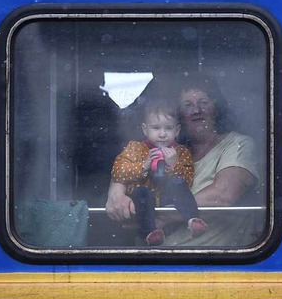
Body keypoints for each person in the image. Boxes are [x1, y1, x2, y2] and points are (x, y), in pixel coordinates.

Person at [106, 73, 261, 247]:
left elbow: (223, 195)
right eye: (188, 105)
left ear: (216, 108)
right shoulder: (174, 148)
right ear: (179, 116)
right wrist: (116, 192)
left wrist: (157, 216)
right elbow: (127, 164)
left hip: (213, 262)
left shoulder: (239, 144)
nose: (196, 110)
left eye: (203, 102)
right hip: (154, 260)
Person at [110, 99, 208, 245]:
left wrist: (173, 164)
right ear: (145, 129)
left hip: (168, 203)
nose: (162, 134)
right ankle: (149, 234)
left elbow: (187, 179)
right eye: (156, 128)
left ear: (177, 130)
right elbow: (117, 171)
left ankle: (193, 220)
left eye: (168, 128)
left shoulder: (181, 152)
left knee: (177, 183)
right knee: (142, 192)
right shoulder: (134, 148)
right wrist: (144, 165)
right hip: (142, 202)